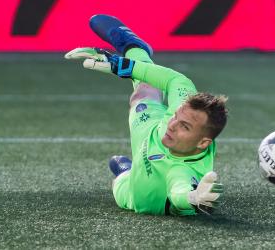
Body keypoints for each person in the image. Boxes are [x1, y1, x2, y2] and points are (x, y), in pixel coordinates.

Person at [65, 15, 228, 216]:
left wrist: (193, 198)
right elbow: (175, 79)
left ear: (203, 143)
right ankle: (132, 45)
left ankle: (125, 170)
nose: (172, 125)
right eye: (176, 116)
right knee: (144, 88)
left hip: (133, 191)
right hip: (150, 128)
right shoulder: (180, 116)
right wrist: (123, 66)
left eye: (184, 126)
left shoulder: (182, 171)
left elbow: (180, 192)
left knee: (120, 178)